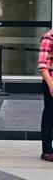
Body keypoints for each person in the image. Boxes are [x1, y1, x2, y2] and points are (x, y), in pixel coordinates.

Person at [41, 27, 53, 162]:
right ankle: (47, 151)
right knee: (50, 115)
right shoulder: (48, 37)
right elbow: (42, 64)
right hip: (51, 81)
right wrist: (51, 84)